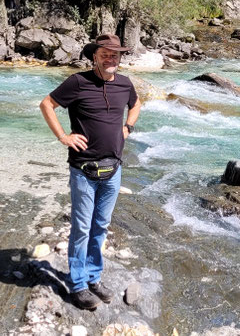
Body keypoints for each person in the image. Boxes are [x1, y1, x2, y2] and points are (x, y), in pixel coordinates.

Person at [39, 33, 141, 311]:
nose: (111, 58)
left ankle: (94, 278)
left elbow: (136, 104)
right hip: (83, 170)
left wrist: (127, 127)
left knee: (100, 228)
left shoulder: (124, 84)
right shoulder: (78, 82)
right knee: (82, 229)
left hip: (113, 169)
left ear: (120, 58)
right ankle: (78, 285)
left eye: (115, 54)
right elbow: (47, 104)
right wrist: (63, 136)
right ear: (94, 56)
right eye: (105, 53)